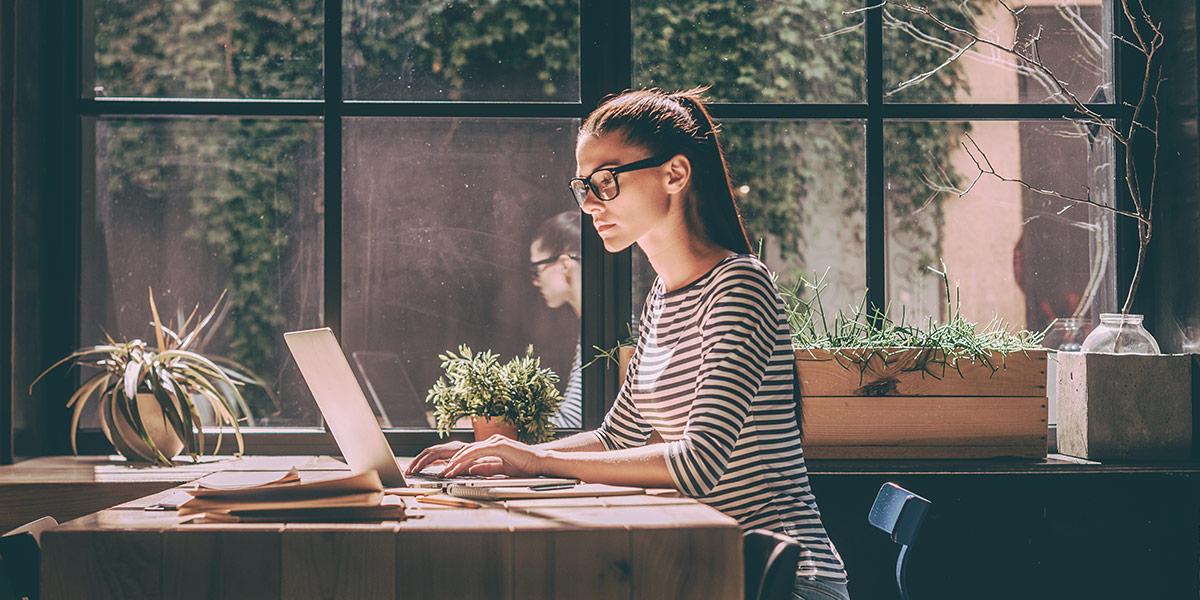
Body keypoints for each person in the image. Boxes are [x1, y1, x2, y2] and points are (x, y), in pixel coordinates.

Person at [409, 87, 850, 599]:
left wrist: (535, 461)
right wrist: (505, 455)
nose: (591, 203)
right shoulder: (664, 296)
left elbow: (697, 465)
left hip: (779, 580)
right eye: (584, 186)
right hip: (704, 568)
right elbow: (618, 436)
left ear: (675, 174)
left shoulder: (740, 285)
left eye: (607, 180)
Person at [529, 211, 583, 429]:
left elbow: (573, 424)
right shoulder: (592, 328)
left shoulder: (599, 334)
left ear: (564, 264)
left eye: (536, 269)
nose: (535, 281)